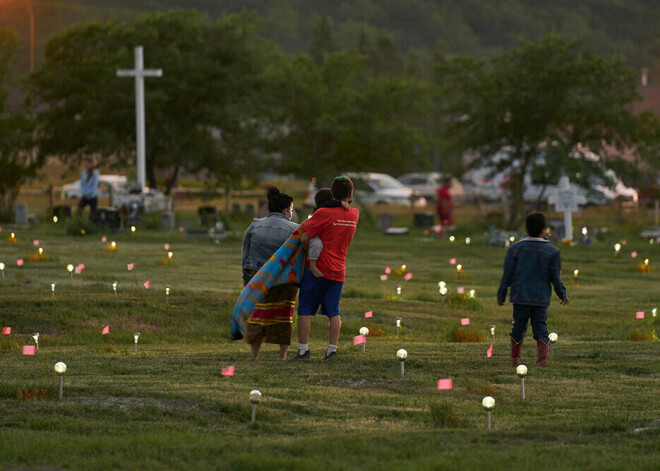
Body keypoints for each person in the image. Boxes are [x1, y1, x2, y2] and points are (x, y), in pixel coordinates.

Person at [292, 176, 359, 360]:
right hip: (339, 269)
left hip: (318, 268)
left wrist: (308, 254)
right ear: (350, 194)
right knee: (333, 311)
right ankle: (332, 350)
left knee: (305, 309)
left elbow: (304, 237)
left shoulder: (323, 214)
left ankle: (303, 350)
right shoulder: (354, 214)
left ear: (332, 192)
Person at [497, 213, 569, 367]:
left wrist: (501, 294)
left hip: (520, 296)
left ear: (527, 228)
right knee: (540, 327)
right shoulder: (552, 252)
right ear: (544, 230)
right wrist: (562, 293)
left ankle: (515, 358)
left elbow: (507, 274)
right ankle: (542, 359)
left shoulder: (515, 249)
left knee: (518, 327)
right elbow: (555, 277)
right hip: (540, 297)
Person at [241, 186, 299, 360]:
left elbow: (246, 253)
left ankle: (254, 355)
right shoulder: (294, 229)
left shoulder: (254, 224)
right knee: (284, 315)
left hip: (257, 275)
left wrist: (246, 278)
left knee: (258, 314)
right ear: (285, 210)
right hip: (284, 279)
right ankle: (282, 355)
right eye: (291, 209)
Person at [308, 187, 351, 278]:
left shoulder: (323, 210)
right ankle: (313, 265)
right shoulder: (322, 210)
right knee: (317, 244)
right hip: (314, 238)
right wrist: (340, 203)